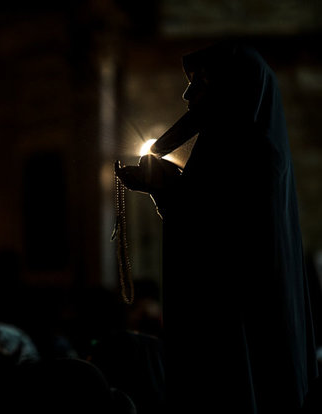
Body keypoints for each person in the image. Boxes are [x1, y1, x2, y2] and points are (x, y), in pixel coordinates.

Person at [116, 42, 318, 413]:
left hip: (239, 325)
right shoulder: (225, 148)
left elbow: (224, 235)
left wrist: (167, 186)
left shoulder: (256, 155)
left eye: (201, 82)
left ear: (234, 89)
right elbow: (204, 212)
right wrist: (167, 185)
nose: (187, 94)